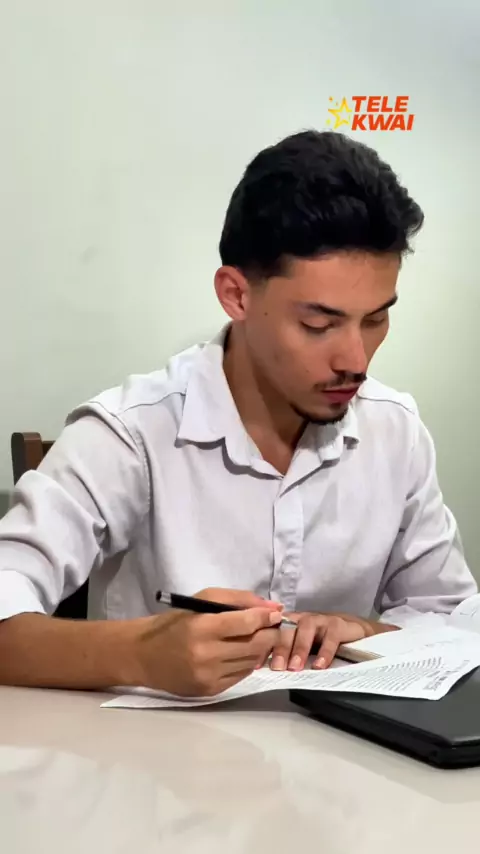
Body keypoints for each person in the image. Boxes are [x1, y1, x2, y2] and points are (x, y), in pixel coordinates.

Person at [0, 130, 476, 697]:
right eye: (319, 324)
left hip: (339, 749)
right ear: (236, 295)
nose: (356, 360)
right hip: (155, 749)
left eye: (375, 320)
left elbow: (453, 621)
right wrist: (142, 654)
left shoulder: (394, 431)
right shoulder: (132, 432)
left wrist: (362, 632)